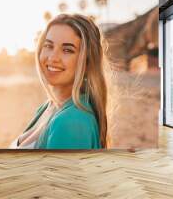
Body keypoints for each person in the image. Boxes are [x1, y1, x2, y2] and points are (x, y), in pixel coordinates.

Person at [10, 14, 108, 149]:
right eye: (48, 46)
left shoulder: (73, 122)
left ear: (87, 62)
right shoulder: (48, 107)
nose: (53, 57)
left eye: (67, 50)